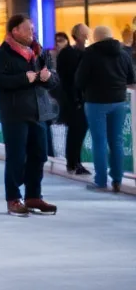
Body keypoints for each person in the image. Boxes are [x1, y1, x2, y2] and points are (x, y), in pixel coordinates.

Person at [0, 14, 59, 217]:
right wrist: (22, 78)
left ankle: (33, 196)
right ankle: (13, 198)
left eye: (33, 29)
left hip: (39, 111)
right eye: (28, 29)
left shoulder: (40, 52)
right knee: (16, 157)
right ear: (15, 31)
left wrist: (49, 77)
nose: (32, 32)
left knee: (39, 155)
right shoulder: (3, 54)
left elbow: (54, 79)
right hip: (15, 113)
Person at [76, 25, 136, 194]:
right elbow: (131, 78)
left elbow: (79, 80)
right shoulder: (123, 54)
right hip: (119, 101)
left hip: (96, 102)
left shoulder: (90, 54)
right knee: (116, 141)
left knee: (99, 141)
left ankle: (101, 181)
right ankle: (117, 180)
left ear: (96, 37)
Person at [56, 24, 90, 176]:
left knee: (77, 130)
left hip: (77, 98)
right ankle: (73, 162)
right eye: (85, 34)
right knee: (76, 130)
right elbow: (67, 79)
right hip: (73, 98)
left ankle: (74, 161)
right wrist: (74, 99)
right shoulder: (70, 54)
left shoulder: (80, 53)